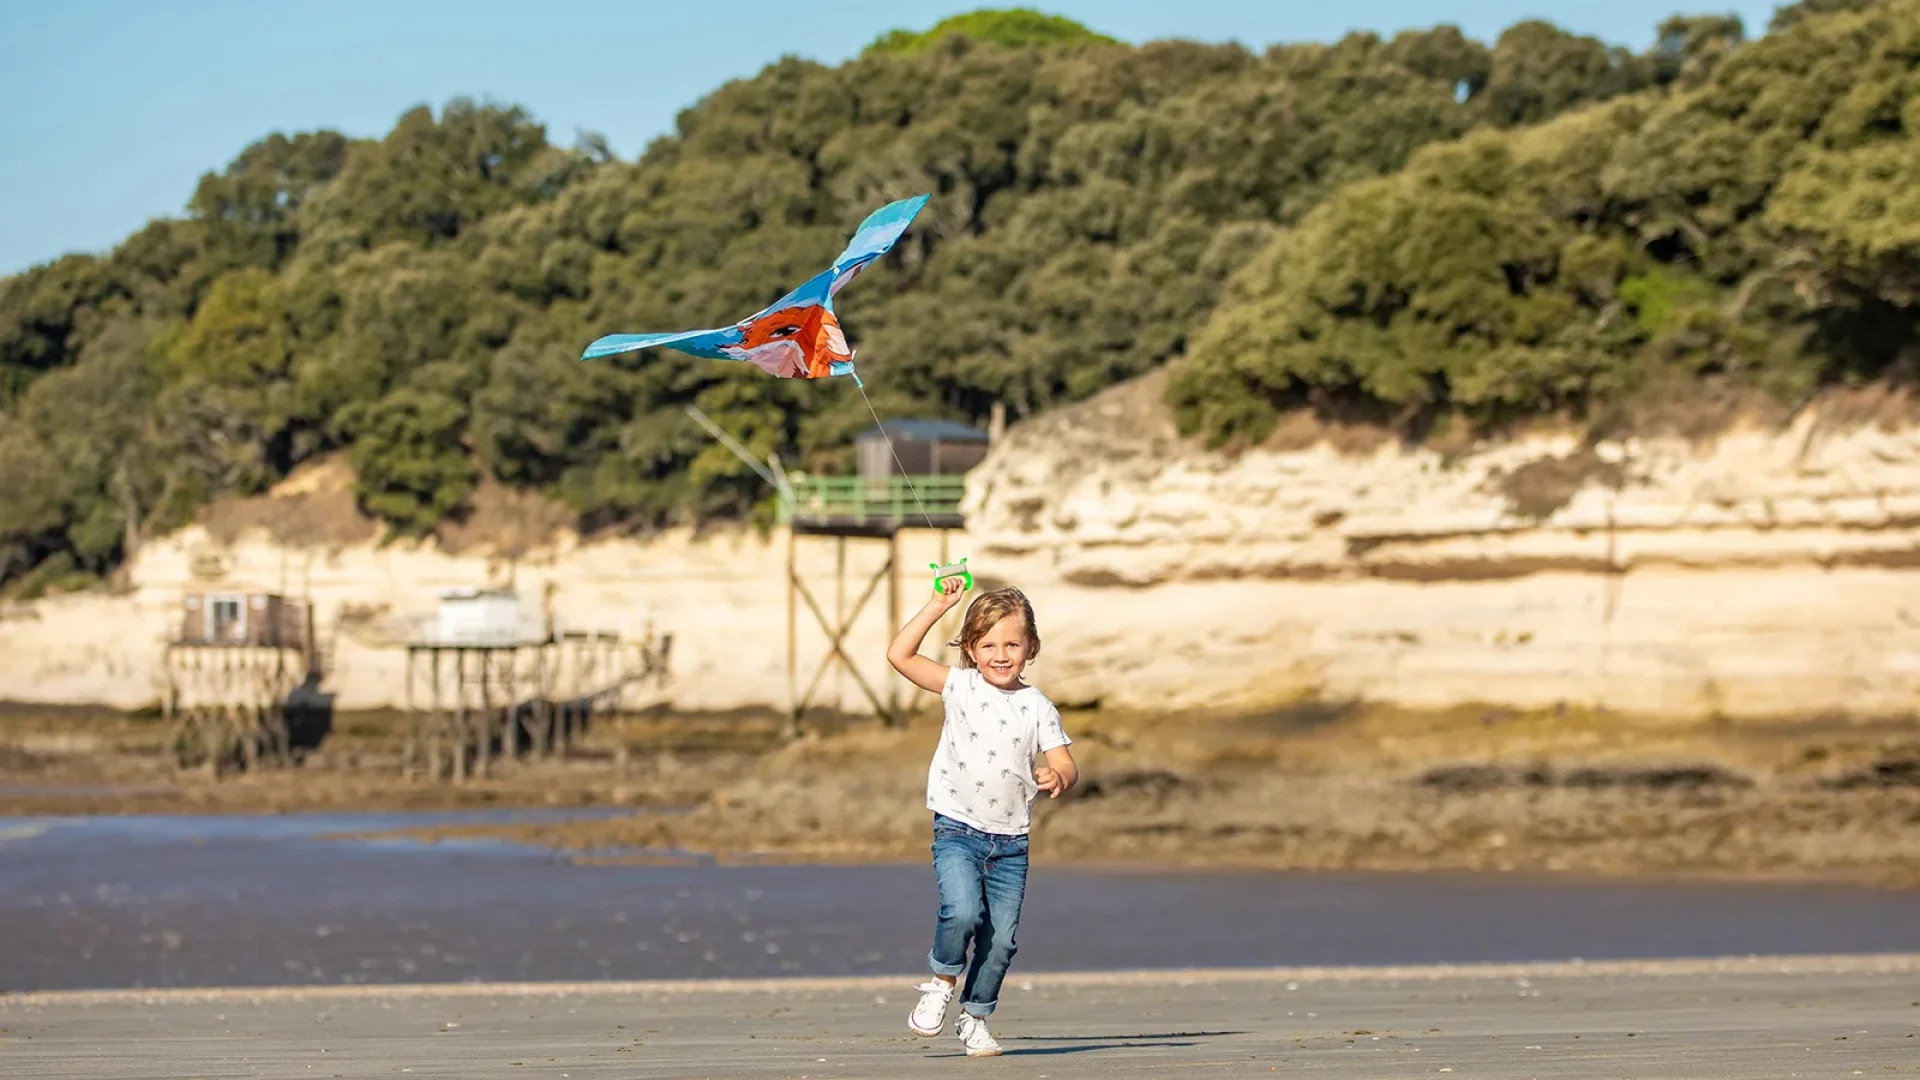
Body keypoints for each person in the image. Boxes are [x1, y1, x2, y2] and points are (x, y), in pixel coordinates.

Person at [885, 580, 1077, 1058]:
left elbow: (1066, 762)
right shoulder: (960, 685)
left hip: (1011, 842)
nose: (1000, 654)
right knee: (963, 911)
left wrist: (1058, 776)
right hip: (957, 827)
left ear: (1031, 648)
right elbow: (900, 655)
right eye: (988, 644)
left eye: (1012, 643)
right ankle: (940, 982)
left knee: (1002, 942)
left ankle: (975, 1018)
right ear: (970, 648)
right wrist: (937, 605)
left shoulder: (1038, 706)